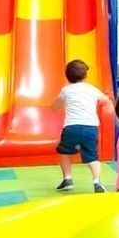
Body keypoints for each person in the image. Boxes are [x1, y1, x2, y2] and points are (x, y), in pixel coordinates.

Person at [50, 59, 113, 193]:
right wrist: (108, 106)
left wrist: (55, 106)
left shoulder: (66, 90)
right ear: (85, 75)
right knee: (92, 156)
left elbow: (55, 107)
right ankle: (96, 181)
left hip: (71, 127)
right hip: (90, 127)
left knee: (64, 152)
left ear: (67, 76)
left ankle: (67, 179)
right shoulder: (91, 89)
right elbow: (105, 100)